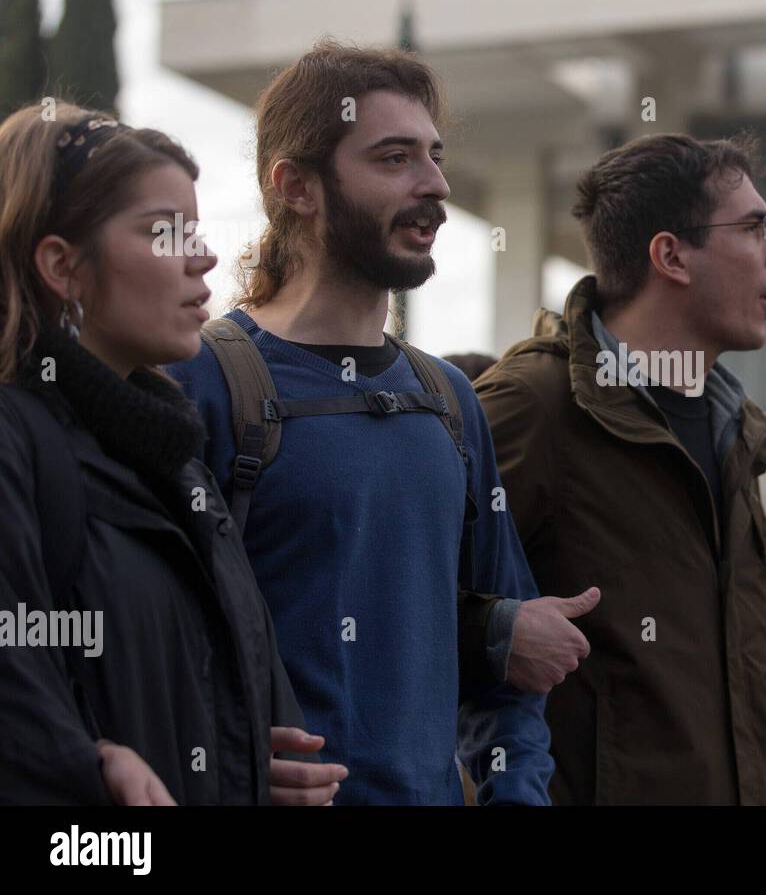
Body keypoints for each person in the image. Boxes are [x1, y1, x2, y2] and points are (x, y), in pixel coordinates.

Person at [474, 133, 766, 804]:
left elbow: (726, 654)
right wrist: (494, 632)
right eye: (754, 228)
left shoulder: (735, 427)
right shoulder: (533, 404)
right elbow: (399, 602)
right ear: (671, 256)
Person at [168, 43, 561, 804]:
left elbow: (508, 663)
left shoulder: (449, 399)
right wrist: (224, 766)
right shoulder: (201, 383)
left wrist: (517, 792)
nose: (435, 186)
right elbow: (141, 651)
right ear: (297, 187)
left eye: (435, 157)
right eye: (394, 159)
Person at [0, 102, 344, 804]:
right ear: (62, 266)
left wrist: (237, 770)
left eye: (195, 228)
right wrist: (82, 768)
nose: (204, 255)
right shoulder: (18, 439)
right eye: (164, 231)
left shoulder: (173, 456)